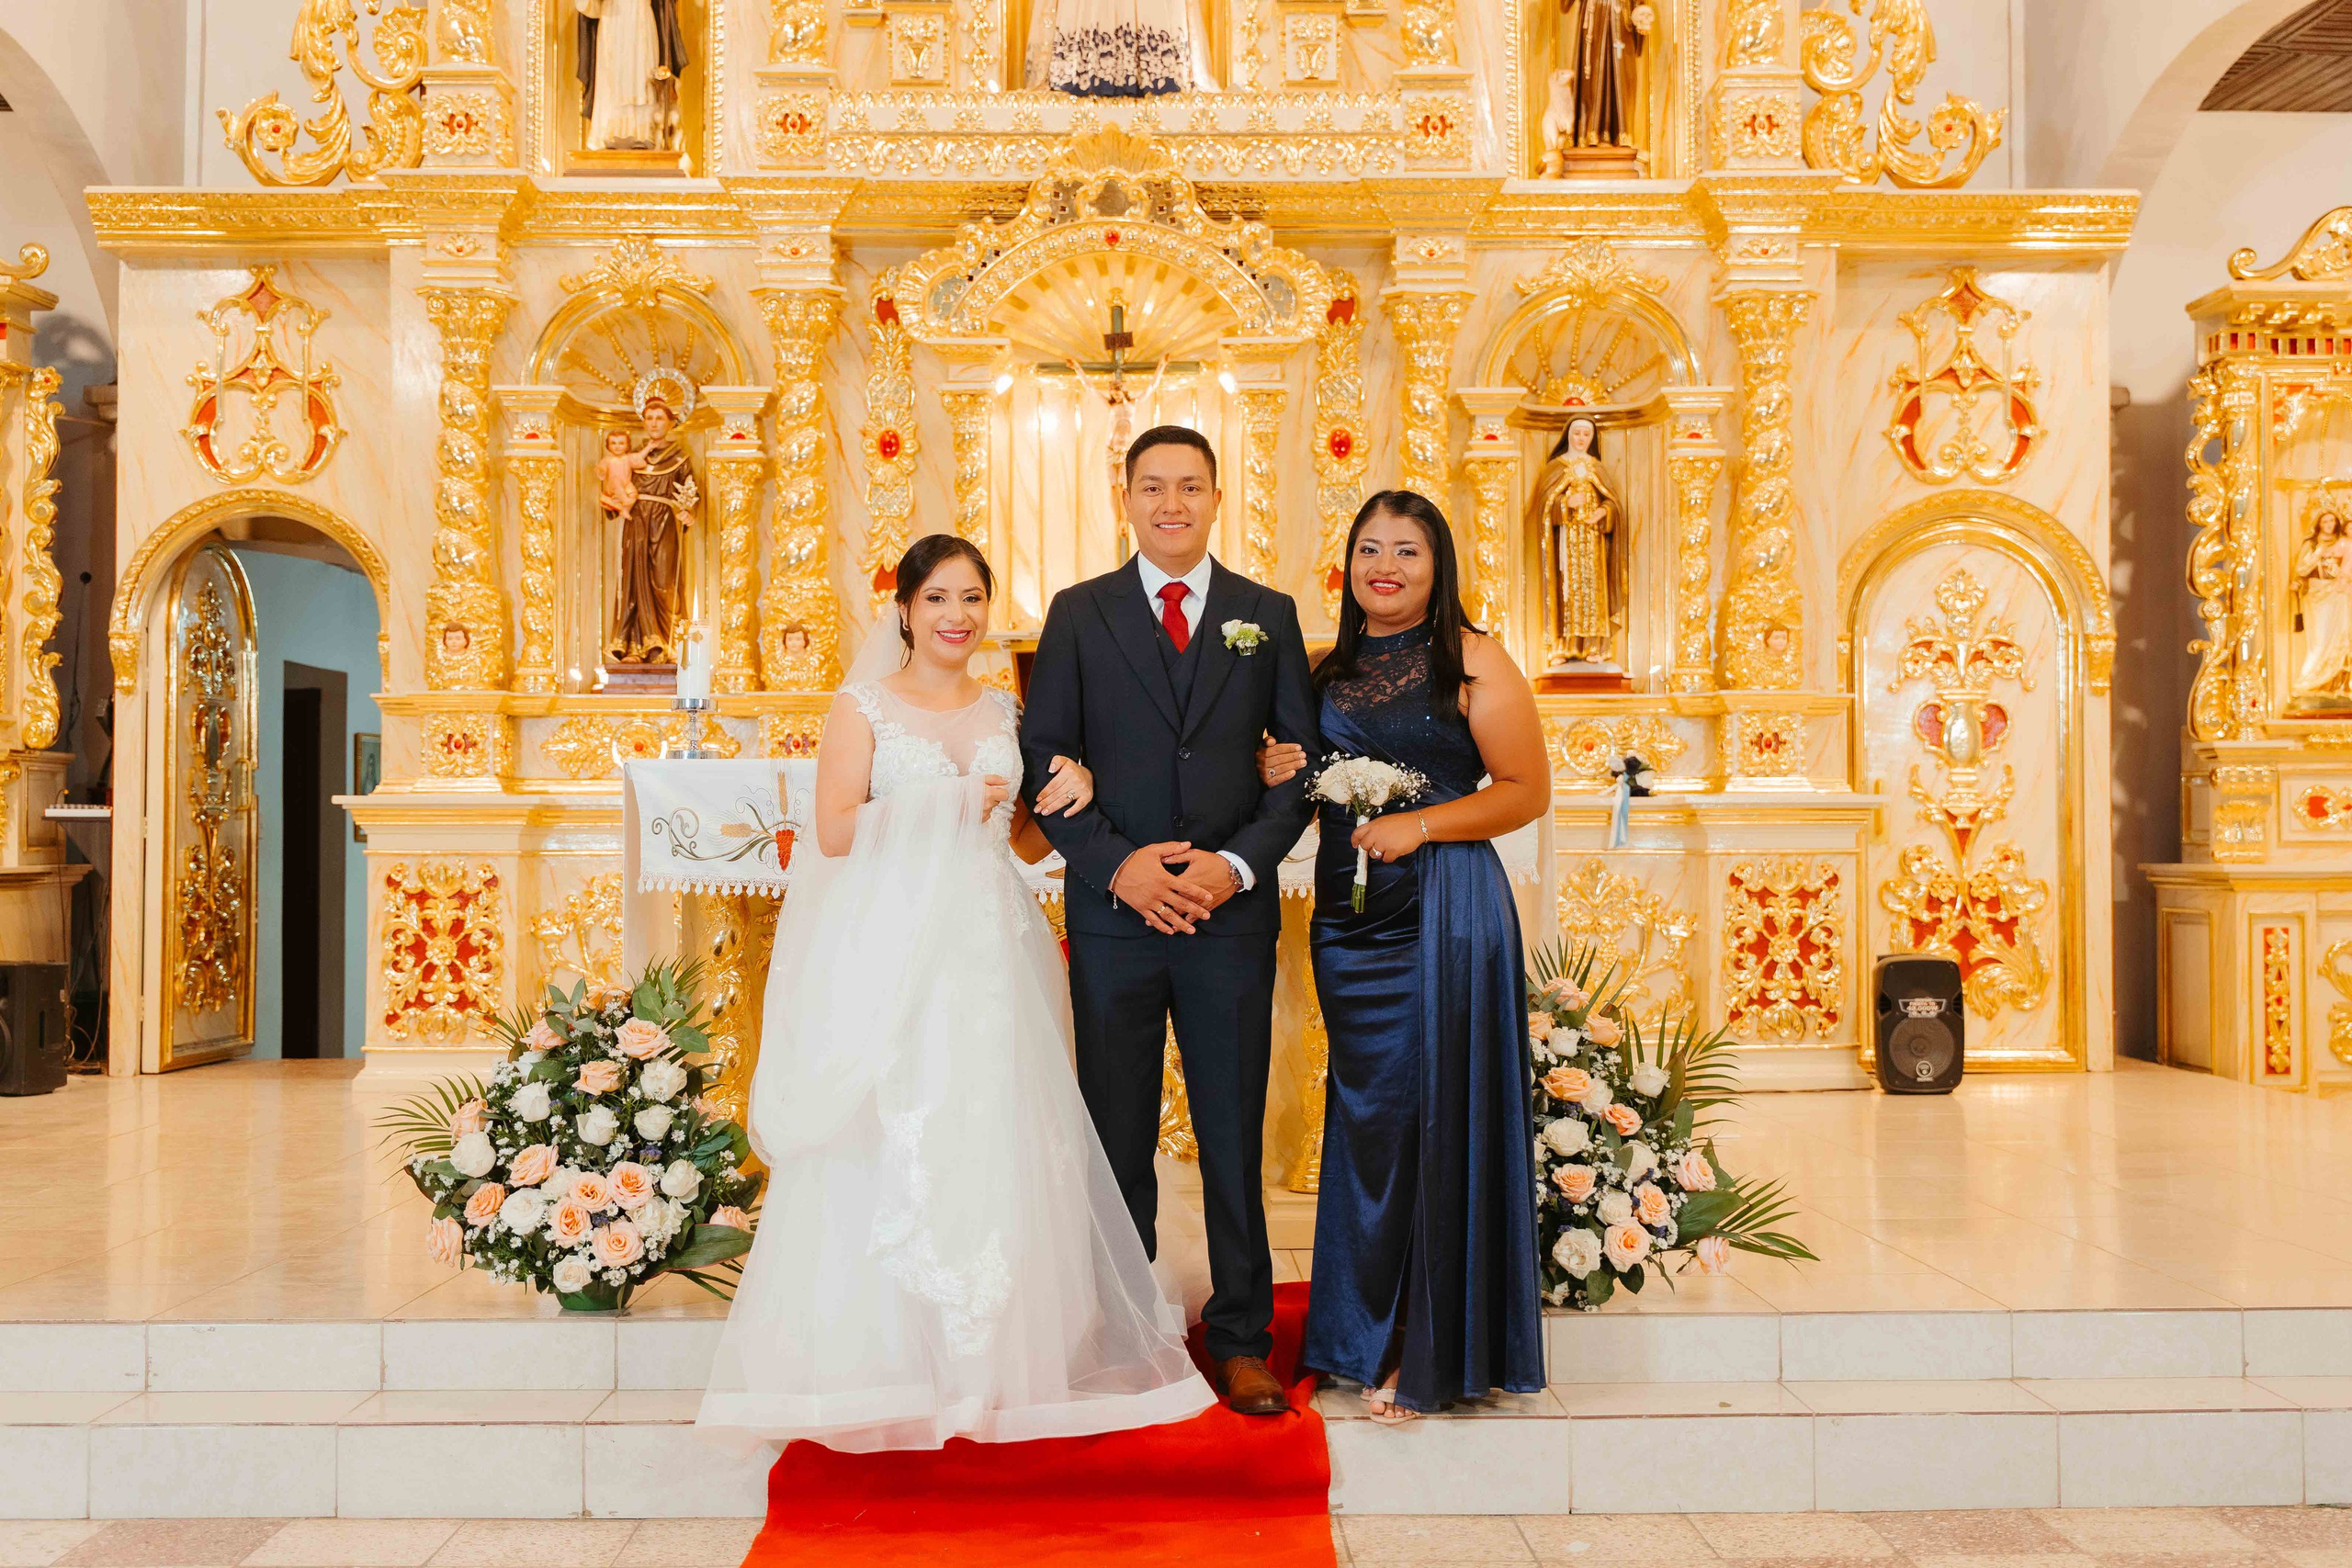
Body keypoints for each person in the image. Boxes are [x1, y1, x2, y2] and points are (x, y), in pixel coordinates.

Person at [699, 534, 1214, 1450]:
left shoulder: (1005, 708)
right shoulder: (862, 706)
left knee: (994, 1127)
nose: (956, 616)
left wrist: (1072, 790)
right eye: (937, 597)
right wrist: (941, 802)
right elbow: (835, 830)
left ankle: (993, 1360)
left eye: (972, 598)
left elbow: (1019, 841)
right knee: (900, 1126)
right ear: (904, 608)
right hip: (894, 946)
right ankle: (889, 1354)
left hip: (990, 945)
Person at [1020, 425, 1320, 1416]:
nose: (1171, 504)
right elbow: (1044, 759)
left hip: (1228, 917)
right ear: (1126, 500)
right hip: (1115, 917)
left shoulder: (1266, 614)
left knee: (1232, 1130)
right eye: (1152, 487)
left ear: (1218, 498)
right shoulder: (1078, 613)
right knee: (1116, 1132)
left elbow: (1299, 767)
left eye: (1190, 486)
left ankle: (1239, 1340)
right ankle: (1124, 1330)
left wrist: (1234, 868)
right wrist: (1122, 866)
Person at [1256, 489, 1549, 1423]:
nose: (1385, 566)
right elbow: (1302, 783)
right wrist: (1278, 771)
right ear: (1347, 565)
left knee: (1435, 1116)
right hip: (1348, 925)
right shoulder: (1326, 668)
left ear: (1437, 565)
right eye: (1370, 549)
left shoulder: (1472, 658)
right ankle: (1358, 1335)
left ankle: (1426, 1351)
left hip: (1444, 911)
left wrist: (1418, 825)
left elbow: (1525, 790)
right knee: (1370, 1121)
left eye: (1407, 551)